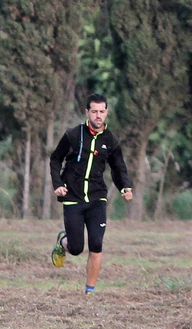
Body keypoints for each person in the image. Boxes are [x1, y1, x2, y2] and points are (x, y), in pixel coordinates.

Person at [48, 93, 132, 294]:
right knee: (76, 248)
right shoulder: (73, 135)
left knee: (96, 244)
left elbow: (118, 167)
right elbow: (55, 159)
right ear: (87, 112)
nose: (98, 115)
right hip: (73, 198)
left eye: (102, 111)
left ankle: (90, 291)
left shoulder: (110, 140)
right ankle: (63, 241)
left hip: (97, 198)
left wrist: (125, 187)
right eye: (94, 111)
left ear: (106, 112)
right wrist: (57, 184)